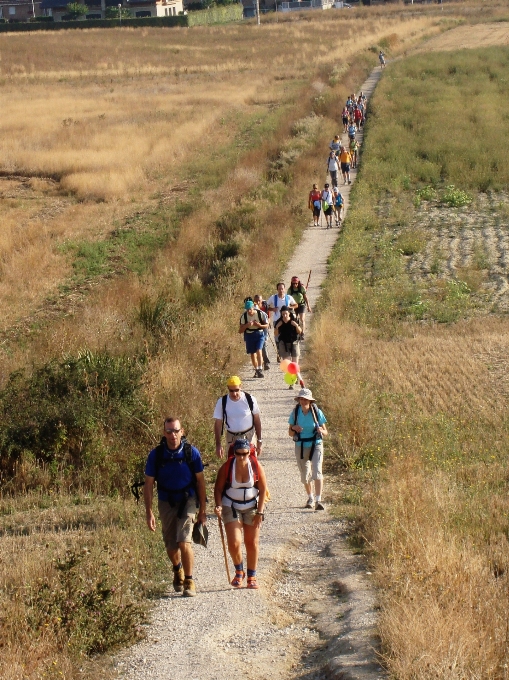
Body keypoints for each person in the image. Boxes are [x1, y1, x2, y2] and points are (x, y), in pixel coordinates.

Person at [144, 417, 207, 598]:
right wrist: (149, 512)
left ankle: (189, 580)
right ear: (164, 433)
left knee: (184, 540)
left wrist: (202, 510)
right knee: (171, 545)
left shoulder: (191, 453)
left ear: (182, 431)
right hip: (166, 501)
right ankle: (177, 568)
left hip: (187, 500)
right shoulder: (156, 455)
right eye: (169, 431)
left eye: (176, 431)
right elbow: (148, 485)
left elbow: (201, 482)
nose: (173, 435)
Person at [214, 438, 267, 590]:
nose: (242, 457)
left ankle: (252, 576)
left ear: (250, 453)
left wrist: (260, 512)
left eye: (245, 454)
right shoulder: (227, 467)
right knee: (234, 543)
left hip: (252, 506)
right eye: (239, 454)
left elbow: (263, 489)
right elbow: (218, 489)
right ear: (234, 453)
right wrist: (218, 505)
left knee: (252, 542)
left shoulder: (256, 466)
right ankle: (239, 571)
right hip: (230, 505)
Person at [288, 388, 328, 511]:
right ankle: (310, 498)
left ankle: (318, 500)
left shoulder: (316, 412)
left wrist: (321, 430)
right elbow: (290, 432)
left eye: (306, 399)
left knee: (317, 471)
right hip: (301, 446)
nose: (303, 401)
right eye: (301, 399)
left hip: (316, 444)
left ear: (310, 401)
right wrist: (294, 428)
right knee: (305, 475)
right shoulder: (295, 413)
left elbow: (326, 432)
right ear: (299, 400)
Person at [213, 376, 262, 459]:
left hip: (249, 436)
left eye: (236, 390)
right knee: (231, 465)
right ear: (228, 388)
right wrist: (218, 445)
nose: (234, 393)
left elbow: (257, 420)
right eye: (231, 391)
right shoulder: (222, 402)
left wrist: (259, 441)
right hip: (231, 438)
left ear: (240, 386)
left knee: (252, 464)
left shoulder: (250, 399)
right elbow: (218, 424)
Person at [239, 298, 268, 378]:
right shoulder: (244, 316)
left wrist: (259, 325)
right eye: (247, 309)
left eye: (250, 309)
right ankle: (256, 370)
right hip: (249, 335)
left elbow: (266, 325)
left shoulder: (260, 313)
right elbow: (240, 330)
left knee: (259, 350)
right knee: (252, 354)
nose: (249, 311)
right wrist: (247, 325)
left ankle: (260, 368)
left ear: (253, 307)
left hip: (260, 334)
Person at [253, 294, 270, 371]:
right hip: (255, 330)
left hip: (263, 329)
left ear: (261, 300)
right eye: (256, 300)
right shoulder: (252, 309)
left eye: (259, 300)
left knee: (263, 345)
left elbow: (268, 318)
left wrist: (266, 325)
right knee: (257, 347)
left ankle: (265, 362)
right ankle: (261, 363)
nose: (257, 302)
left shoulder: (264, 306)